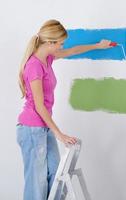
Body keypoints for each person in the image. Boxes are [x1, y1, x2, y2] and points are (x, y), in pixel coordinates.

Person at [17, 19, 112, 200]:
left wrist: (98, 46)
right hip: (31, 129)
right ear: (50, 43)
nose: (62, 46)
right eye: (60, 43)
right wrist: (59, 134)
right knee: (37, 184)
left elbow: (73, 51)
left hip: (44, 126)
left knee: (56, 177)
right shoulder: (34, 66)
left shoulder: (48, 58)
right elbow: (39, 105)